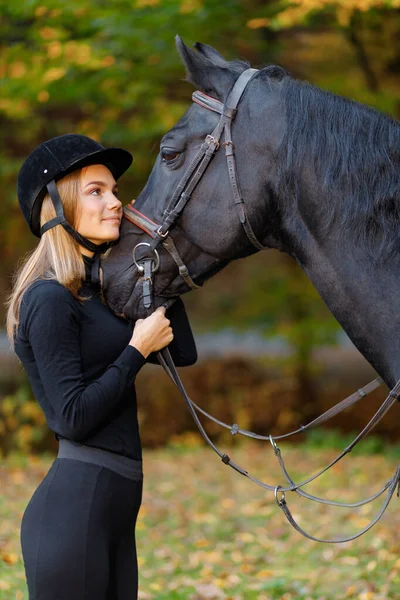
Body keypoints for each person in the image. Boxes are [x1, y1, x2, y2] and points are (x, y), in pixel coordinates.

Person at [6, 133, 197, 600]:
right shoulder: (49, 298)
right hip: (75, 511)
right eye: (96, 191)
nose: (115, 202)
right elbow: (71, 417)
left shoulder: (102, 294)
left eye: (114, 191)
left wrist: (149, 248)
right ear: (58, 206)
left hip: (114, 507)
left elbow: (183, 352)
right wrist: (134, 350)